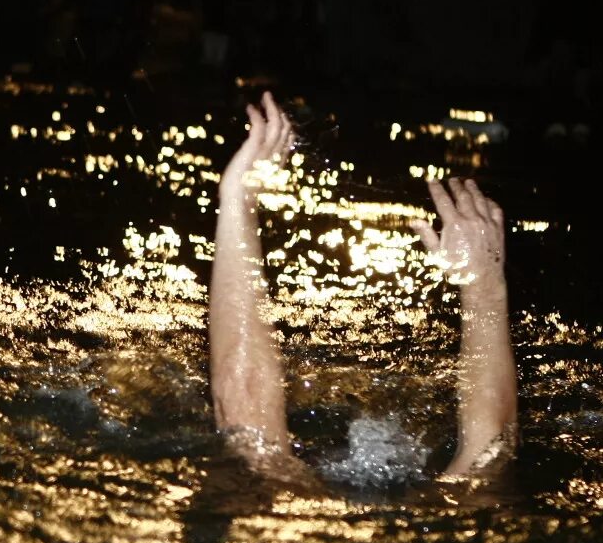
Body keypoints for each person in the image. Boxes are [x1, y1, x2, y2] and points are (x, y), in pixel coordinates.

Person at [209, 93, 516, 485]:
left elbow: (245, 418)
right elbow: (493, 449)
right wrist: (485, 286)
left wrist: (239, 199)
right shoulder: (452, 517)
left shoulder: (294, 514)